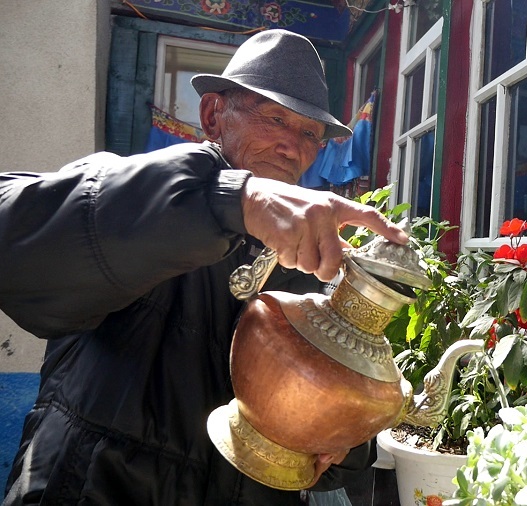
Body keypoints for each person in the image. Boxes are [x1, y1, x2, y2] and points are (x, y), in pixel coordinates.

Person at [0, 30, 408, 505]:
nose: (292, 148)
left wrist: (338, 438)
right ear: (213, 115)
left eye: (309, 134)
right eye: (276, 118)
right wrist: (232, 200)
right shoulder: (137, 204)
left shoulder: (302, 268)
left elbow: (336, 450)